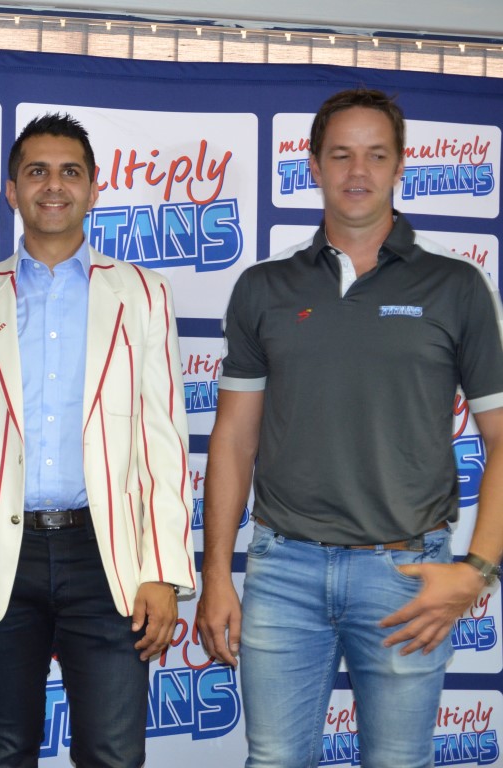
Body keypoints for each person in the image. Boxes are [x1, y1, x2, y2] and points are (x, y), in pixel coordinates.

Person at [196, 87, 503, 768]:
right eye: (340, 155)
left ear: (400, 165)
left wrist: (477, 569)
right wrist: (216, 572)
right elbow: (234, 439)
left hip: (405, 572)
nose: (357, 171)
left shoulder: (456, 286)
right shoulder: (264, 287)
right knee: (274, 760)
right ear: (313, 165)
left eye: (375, 155)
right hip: (283, 570)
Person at [0, 113, 196, 768]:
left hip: (106, 555)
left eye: (69, 172)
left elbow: (164, 439)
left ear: (93, 187)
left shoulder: (144, 294)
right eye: (37, 172)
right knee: (4, 750)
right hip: (1, 554)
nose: (53, 185)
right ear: (12, 189)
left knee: (112, 754)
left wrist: (162, 571)